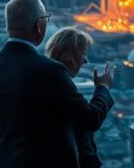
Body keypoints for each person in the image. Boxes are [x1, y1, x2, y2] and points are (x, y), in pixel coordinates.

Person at [0, 0, 114, 168]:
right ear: (39, 26)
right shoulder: (50, 71)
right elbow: (90, 119)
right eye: (46, 19)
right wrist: (103, 87)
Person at [46, 27, 104, 168]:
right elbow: (91, 119)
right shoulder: (59, 83)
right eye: (83, 53)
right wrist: (103, 88)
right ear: (69, 56)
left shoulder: (45, 79)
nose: (85, 60)